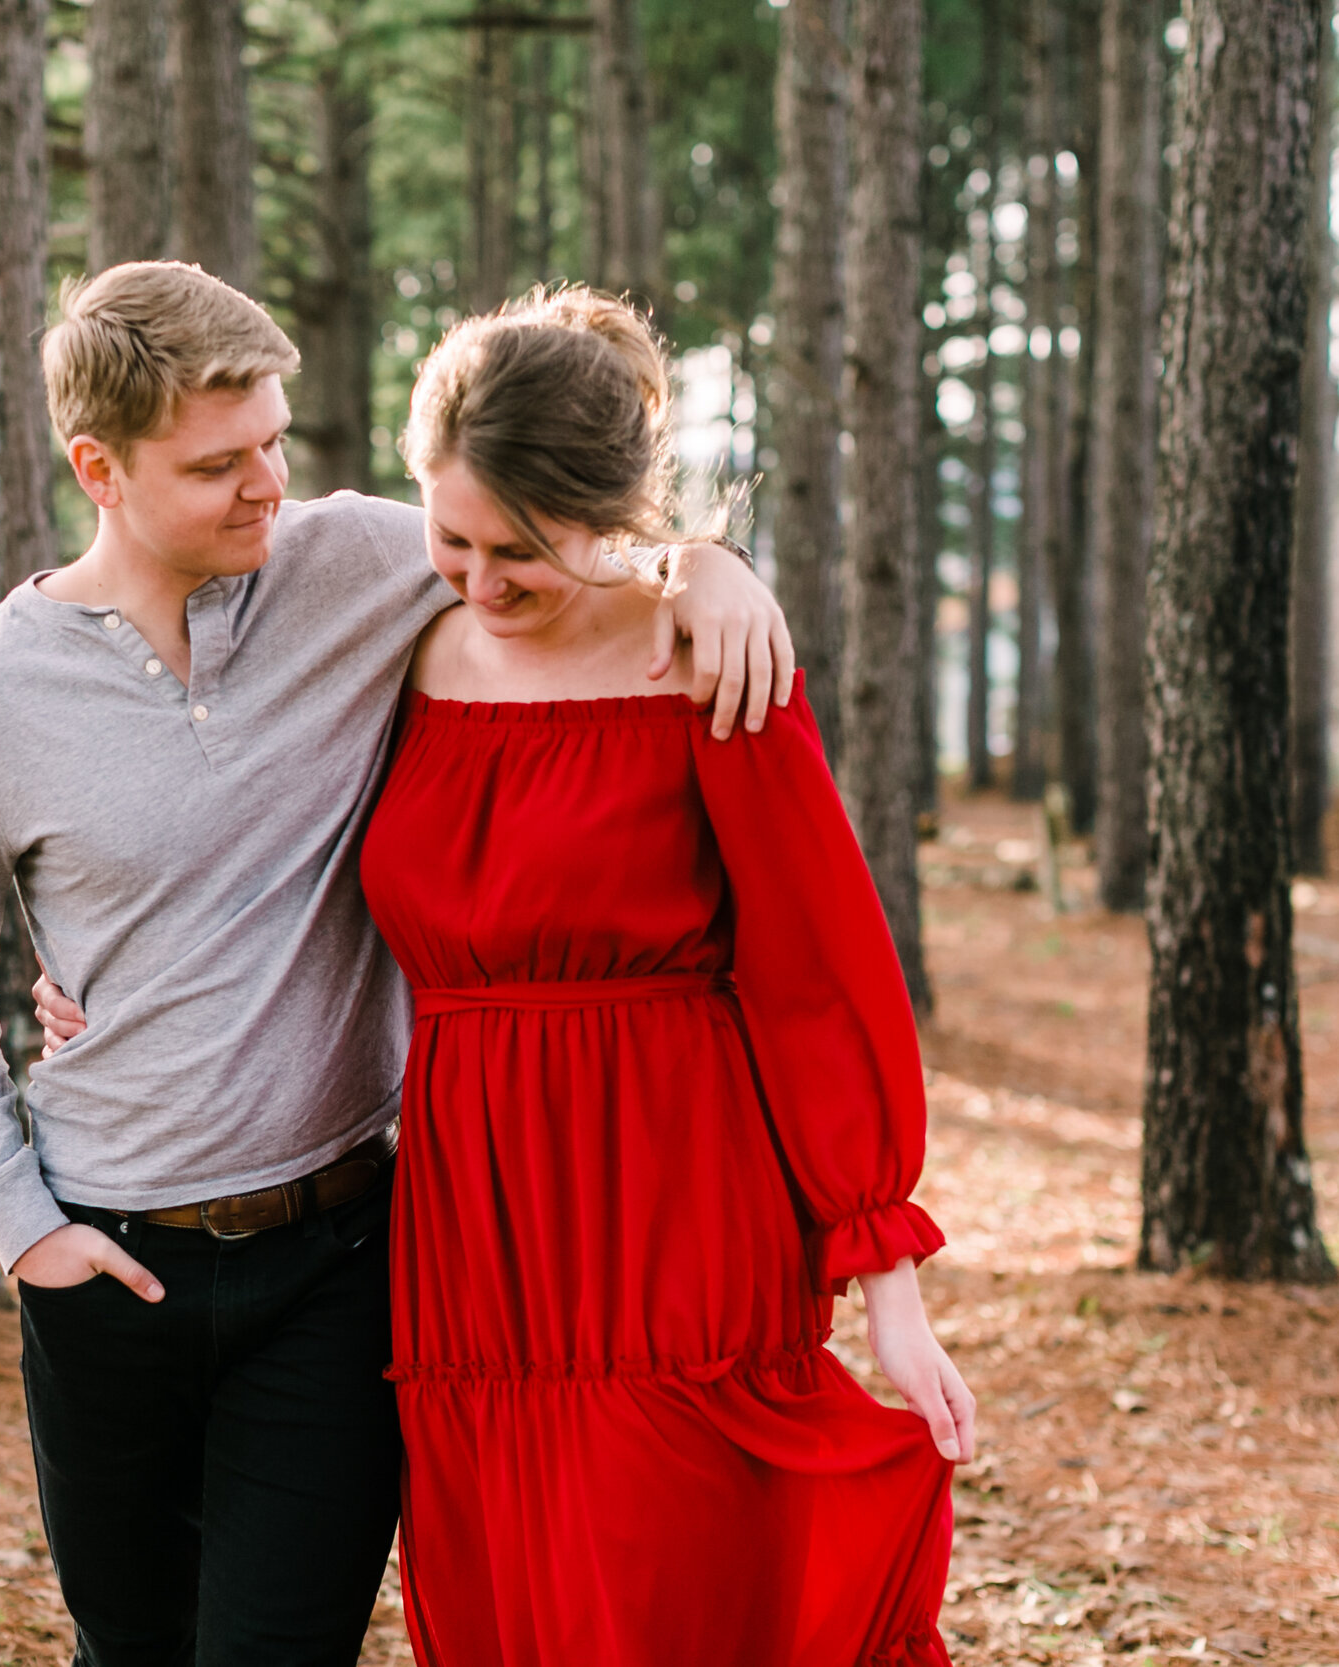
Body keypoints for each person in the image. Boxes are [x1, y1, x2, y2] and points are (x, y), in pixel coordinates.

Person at [0, 261, 794, 1667]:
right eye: (218, 465)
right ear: (98, 469)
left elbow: (552, 541)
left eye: (275, 444)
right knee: (133, 1649)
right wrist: (18, 1223)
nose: (267, 487)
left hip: (343, 1258)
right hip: (106, 1264)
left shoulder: (359, 560)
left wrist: (706, 566)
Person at [362, 288, 971, 1665]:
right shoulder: (393, 654)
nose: (479, 580)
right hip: (474, 1236)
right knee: (514, 1588)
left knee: (675, 1585)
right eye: (449, 537)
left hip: (674, 1216)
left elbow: (822, 973)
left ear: (611, 514)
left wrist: (890, 1290)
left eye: (521, 551)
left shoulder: (706, 658)